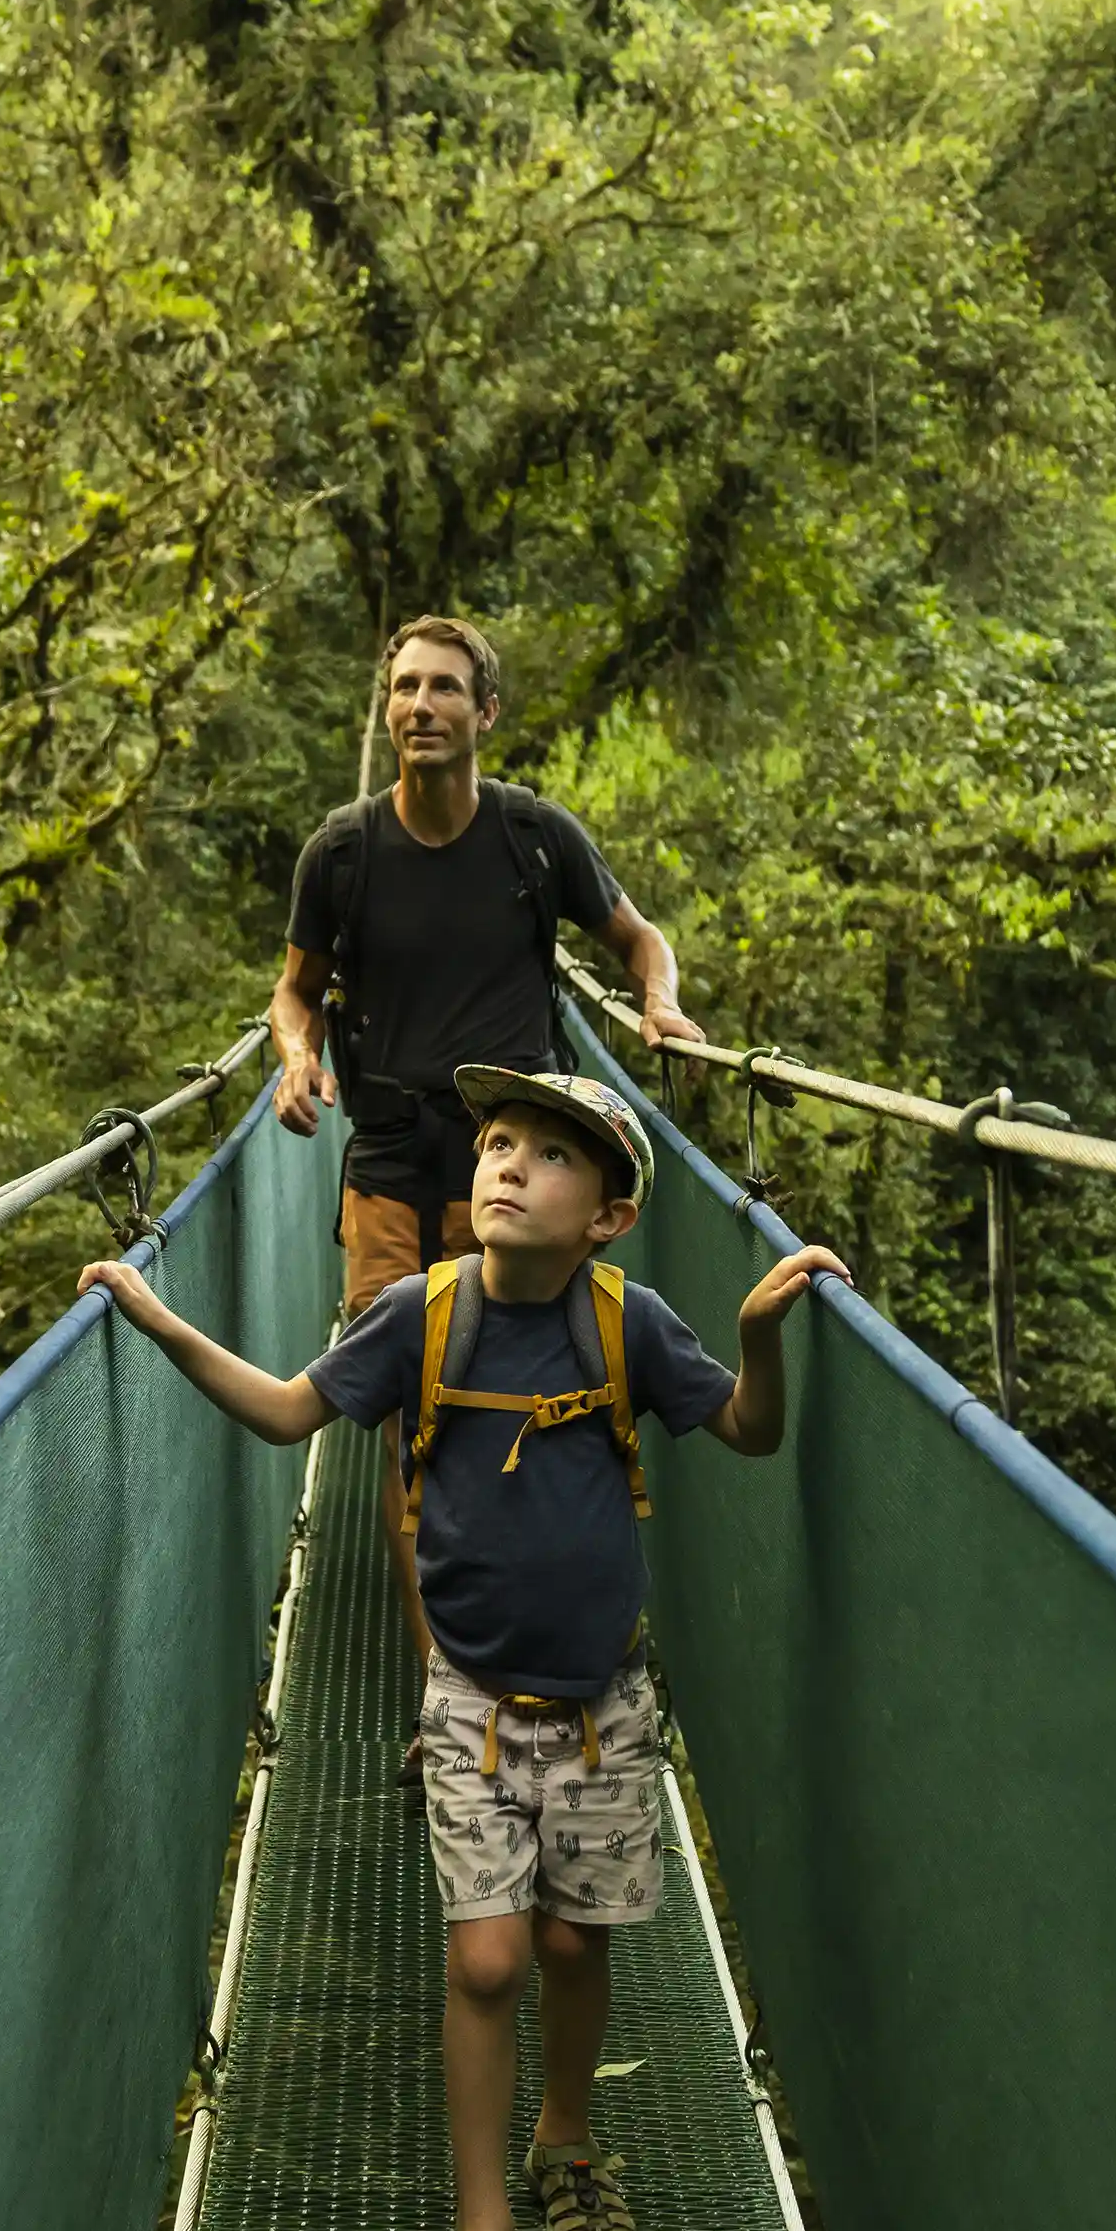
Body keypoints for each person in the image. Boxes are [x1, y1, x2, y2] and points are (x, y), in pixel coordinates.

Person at [85, 1068, 842, 2231]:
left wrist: (760, 1330)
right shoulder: (417, 1318)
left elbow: (748, 1432)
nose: (506, 1166)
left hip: (605, 1703)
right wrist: (155, 1319)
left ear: (606, 1217)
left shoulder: (632, 1322)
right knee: (491, 1959)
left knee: (572, 1938)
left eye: (551, 1156)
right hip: (473, 1704)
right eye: (496, 1143)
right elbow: (284, 1413)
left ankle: (569, 2139)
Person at [271, 615, 707, 1680]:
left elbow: (638, 937)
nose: (421, 705)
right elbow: (294, 988)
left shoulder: (532, 838)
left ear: (485, 712)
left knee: (499, 1404)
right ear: (388, 708)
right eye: (405, 688)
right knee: (398, 1407)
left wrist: (658, 1002)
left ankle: (530, 1638)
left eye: (445, 689)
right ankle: (444, 1682)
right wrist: (295, 1055)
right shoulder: (341, 851)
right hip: (385, 1160)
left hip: (512, 1164)